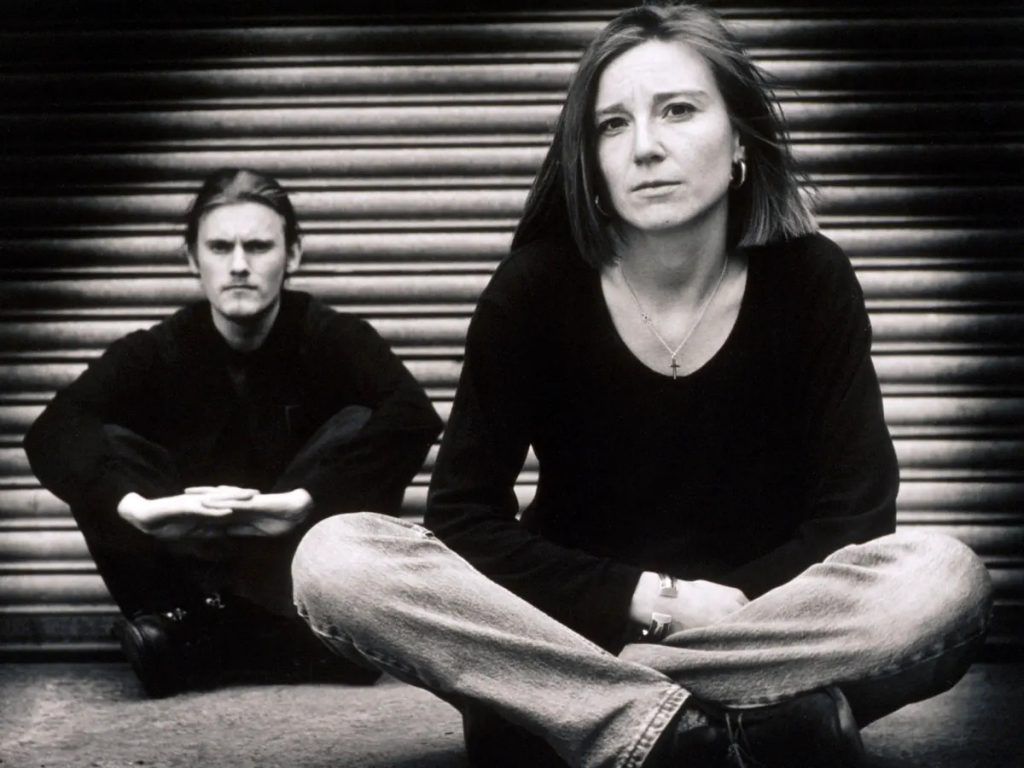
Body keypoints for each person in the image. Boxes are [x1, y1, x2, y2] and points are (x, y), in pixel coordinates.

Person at [289, 4, 993, 767]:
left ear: (740, 142)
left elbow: (856, 516)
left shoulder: (811, 280)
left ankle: (578, 712)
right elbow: (464, 518)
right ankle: (732, 727)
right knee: (335, 558)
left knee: (942, 579)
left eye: (678, 110)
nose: (646, 146)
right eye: (613, 125)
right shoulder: (534, 289)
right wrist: (652, 598)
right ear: (589, 161)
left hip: (764, 621)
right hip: (572, 620)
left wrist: (716, 618)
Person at [24, 168, 443, 698]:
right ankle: (238, 635)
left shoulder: (330, 335)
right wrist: (135, 507)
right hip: (192, 573)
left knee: (363, 423)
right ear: (192, 259)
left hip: (296, 582)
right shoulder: (161, 347)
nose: (239, 265)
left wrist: (301, 500)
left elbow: (414, 415)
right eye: (220, 247)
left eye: (258, 246)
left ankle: (201, 640)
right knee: (101, 444)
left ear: (293, 255)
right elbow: (53, 428)